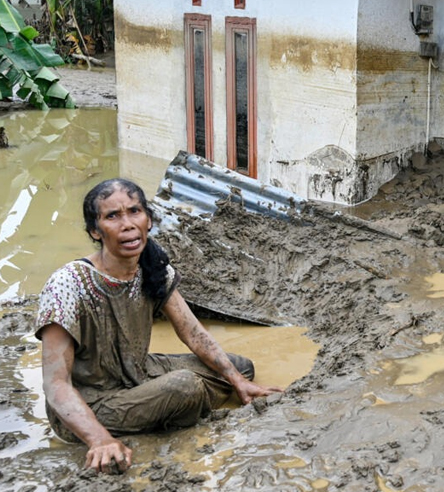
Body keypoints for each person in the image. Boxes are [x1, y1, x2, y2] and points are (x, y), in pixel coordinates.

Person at [36, 178, 284, 474]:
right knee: (185, 386)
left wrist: (238, 382)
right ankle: (150, 415)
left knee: (240, 368)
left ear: (149, 220)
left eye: (134, 211)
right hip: (92, 401)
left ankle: (155, 409)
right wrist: (99, 439)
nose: (127, 224)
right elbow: (55, 384)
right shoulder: (68, 284)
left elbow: (192, 332)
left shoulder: (152, 267)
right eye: (112, 216)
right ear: (95, 230)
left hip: (137, 374)